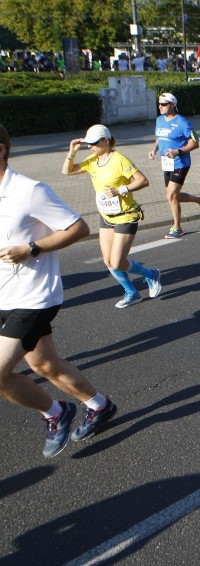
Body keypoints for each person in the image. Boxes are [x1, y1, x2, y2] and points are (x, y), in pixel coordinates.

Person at [0, 123, 118, 458]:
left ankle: (56, 412)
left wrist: (32, 248)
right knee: (45, 364)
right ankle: (99, 405)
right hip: (3, 295)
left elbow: (78, 227)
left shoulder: (28, 190)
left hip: (33, 297)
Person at [61, 124, 162, 308]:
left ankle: (151, 274)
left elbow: (143, 180)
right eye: (88, 144)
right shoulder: (92, 160)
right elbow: (67, 171)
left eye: (93, 143)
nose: (90, 147)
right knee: (108, 261)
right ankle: (132, 293)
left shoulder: (119, 160)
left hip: (126, 215)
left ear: (106, 141)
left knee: (117, 261)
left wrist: (120, 190)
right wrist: (72, 151)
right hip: (106, 216)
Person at [148, 93, 200, 239]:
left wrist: (178, 151)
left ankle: (177, 227)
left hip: (181, 163)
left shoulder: (182, 122)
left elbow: (195, 143)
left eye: (163, 104)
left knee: (171, 195)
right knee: (172, 196)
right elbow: (159, 137)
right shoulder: (159, 120)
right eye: (159, 104)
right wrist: (153, 150)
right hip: (167, 163)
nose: (160, 107)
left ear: (172, 105)